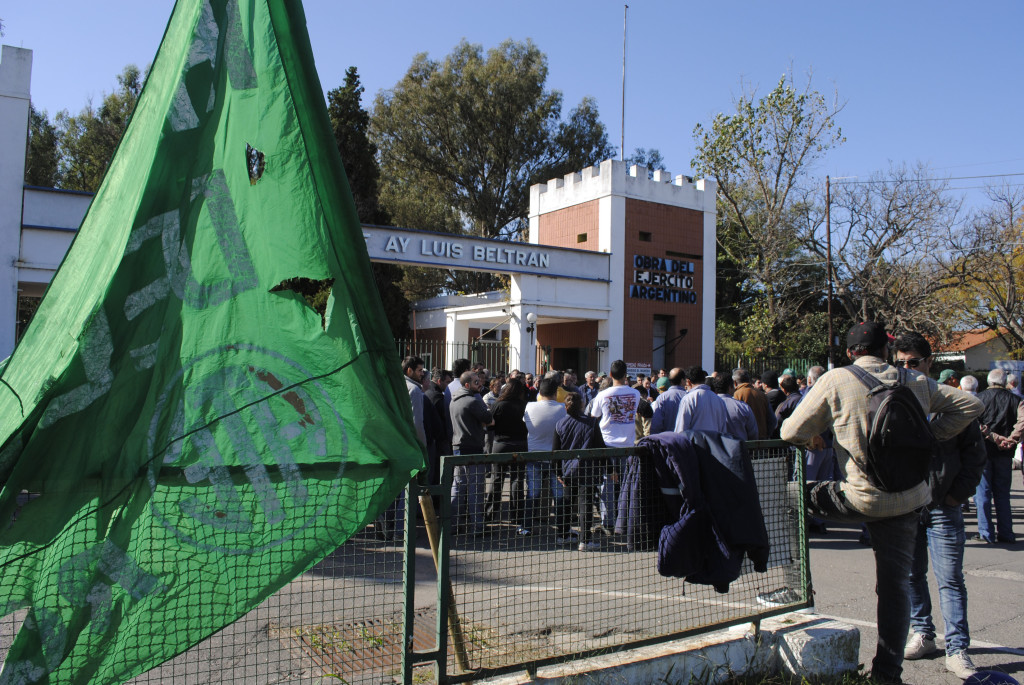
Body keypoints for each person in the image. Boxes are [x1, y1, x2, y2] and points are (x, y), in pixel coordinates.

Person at [779, 321, 983, 684]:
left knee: (789, 495)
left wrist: (815, 439)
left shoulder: (836, 379)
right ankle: (887, 675)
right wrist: (928, 436)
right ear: (887, 351)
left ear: (849, 352)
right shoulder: (915, 381)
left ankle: (795, 586)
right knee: (894, 589)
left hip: (861, 496)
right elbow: (970, 404)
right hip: (908, 499)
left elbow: (790, 431)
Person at [894, 332, 987, 679]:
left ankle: (957, 647)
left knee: (949, 579)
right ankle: (923, 633)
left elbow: (975, 457)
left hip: (943, 507)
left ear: (929, 363)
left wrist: (955, 496)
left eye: (913, 362)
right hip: (907, 506)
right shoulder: (896, 401)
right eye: (901, 363)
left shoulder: (952, 402)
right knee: (912, 575)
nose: (906, 369)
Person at [590, 360, 644, 531]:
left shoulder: (603, 395)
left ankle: (608, 522)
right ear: (626, 374)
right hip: (628, 445)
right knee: (625, 485)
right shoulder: (635, 394)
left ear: (611, 375)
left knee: (607, 486)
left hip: (607, 444)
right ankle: (624, 521)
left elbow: (594, 415)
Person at [973, 368, 1023, 544]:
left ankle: (986, 533)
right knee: (1002, 494)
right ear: (1005, 382)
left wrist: (992, 437)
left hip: (983, 452)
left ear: (988, 381)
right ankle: (1006, 533)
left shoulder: (978, 399)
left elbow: (975, 423)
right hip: (1004, 453)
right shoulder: (1016, 400)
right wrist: (1010, 440)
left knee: (983, 494)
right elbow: (1022, 422)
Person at [552, 391, 606, 551]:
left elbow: (555, 451)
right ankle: (585, 540)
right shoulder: (591, 423)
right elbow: (600, 447)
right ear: (582, 405)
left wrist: (558, 472)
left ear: (566, 407)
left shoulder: (560, 424)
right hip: (588, 469)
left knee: (566, 502)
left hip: (568, 470)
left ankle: (563, 534)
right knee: (586, 505)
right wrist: (610, 468)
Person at [449, 370, 494, 536]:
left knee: (458, 487)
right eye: (476, 382)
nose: (480, 384)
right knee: (475, 489)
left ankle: (454, 524)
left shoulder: (454, 399)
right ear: (467, 384)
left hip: (458, 445)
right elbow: (489, 420)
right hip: (472, 447)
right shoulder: (472, 401)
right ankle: (478, 527)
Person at [522, 376, 567, 536]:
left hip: (534, 455)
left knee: (533, 493)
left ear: (539, 392)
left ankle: (526, 526)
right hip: (555, 458)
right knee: (559, 495)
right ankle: (563, 528)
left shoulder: (529, 406)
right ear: (556, 392)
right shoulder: (563, 409)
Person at [487, 377, 529, 528]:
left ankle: (491, 513)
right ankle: (517, 515)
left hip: (501, 443)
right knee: (517, 480)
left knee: (496, 479)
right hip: (520, 444)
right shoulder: (525, 405)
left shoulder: (498, 404)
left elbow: (490, 426)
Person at [674, 366, 728, 434]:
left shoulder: (688, 399)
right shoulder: (719, 400)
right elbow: (723, 428)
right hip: (714, 443)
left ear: (688, 382)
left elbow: (681, 428)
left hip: (694, 442)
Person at [708, 373, 758, 440]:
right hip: (738, 447)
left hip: (714, 447)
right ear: (730, 387)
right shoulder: (742, 407)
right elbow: (753, 433)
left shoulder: (708, 406)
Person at [733, 368, 776, 439]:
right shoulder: (762, 395)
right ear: (749, 380)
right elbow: (772, 420)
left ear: (734, 382)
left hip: (745, 442)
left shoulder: (736, 394)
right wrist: (766, 435)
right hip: (762, 440)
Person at [650, 367, 686, 434]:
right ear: (682, 380)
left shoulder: (662, 397)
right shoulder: (688, 396)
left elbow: (656, 424)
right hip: (684, 439)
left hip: (665, 439)